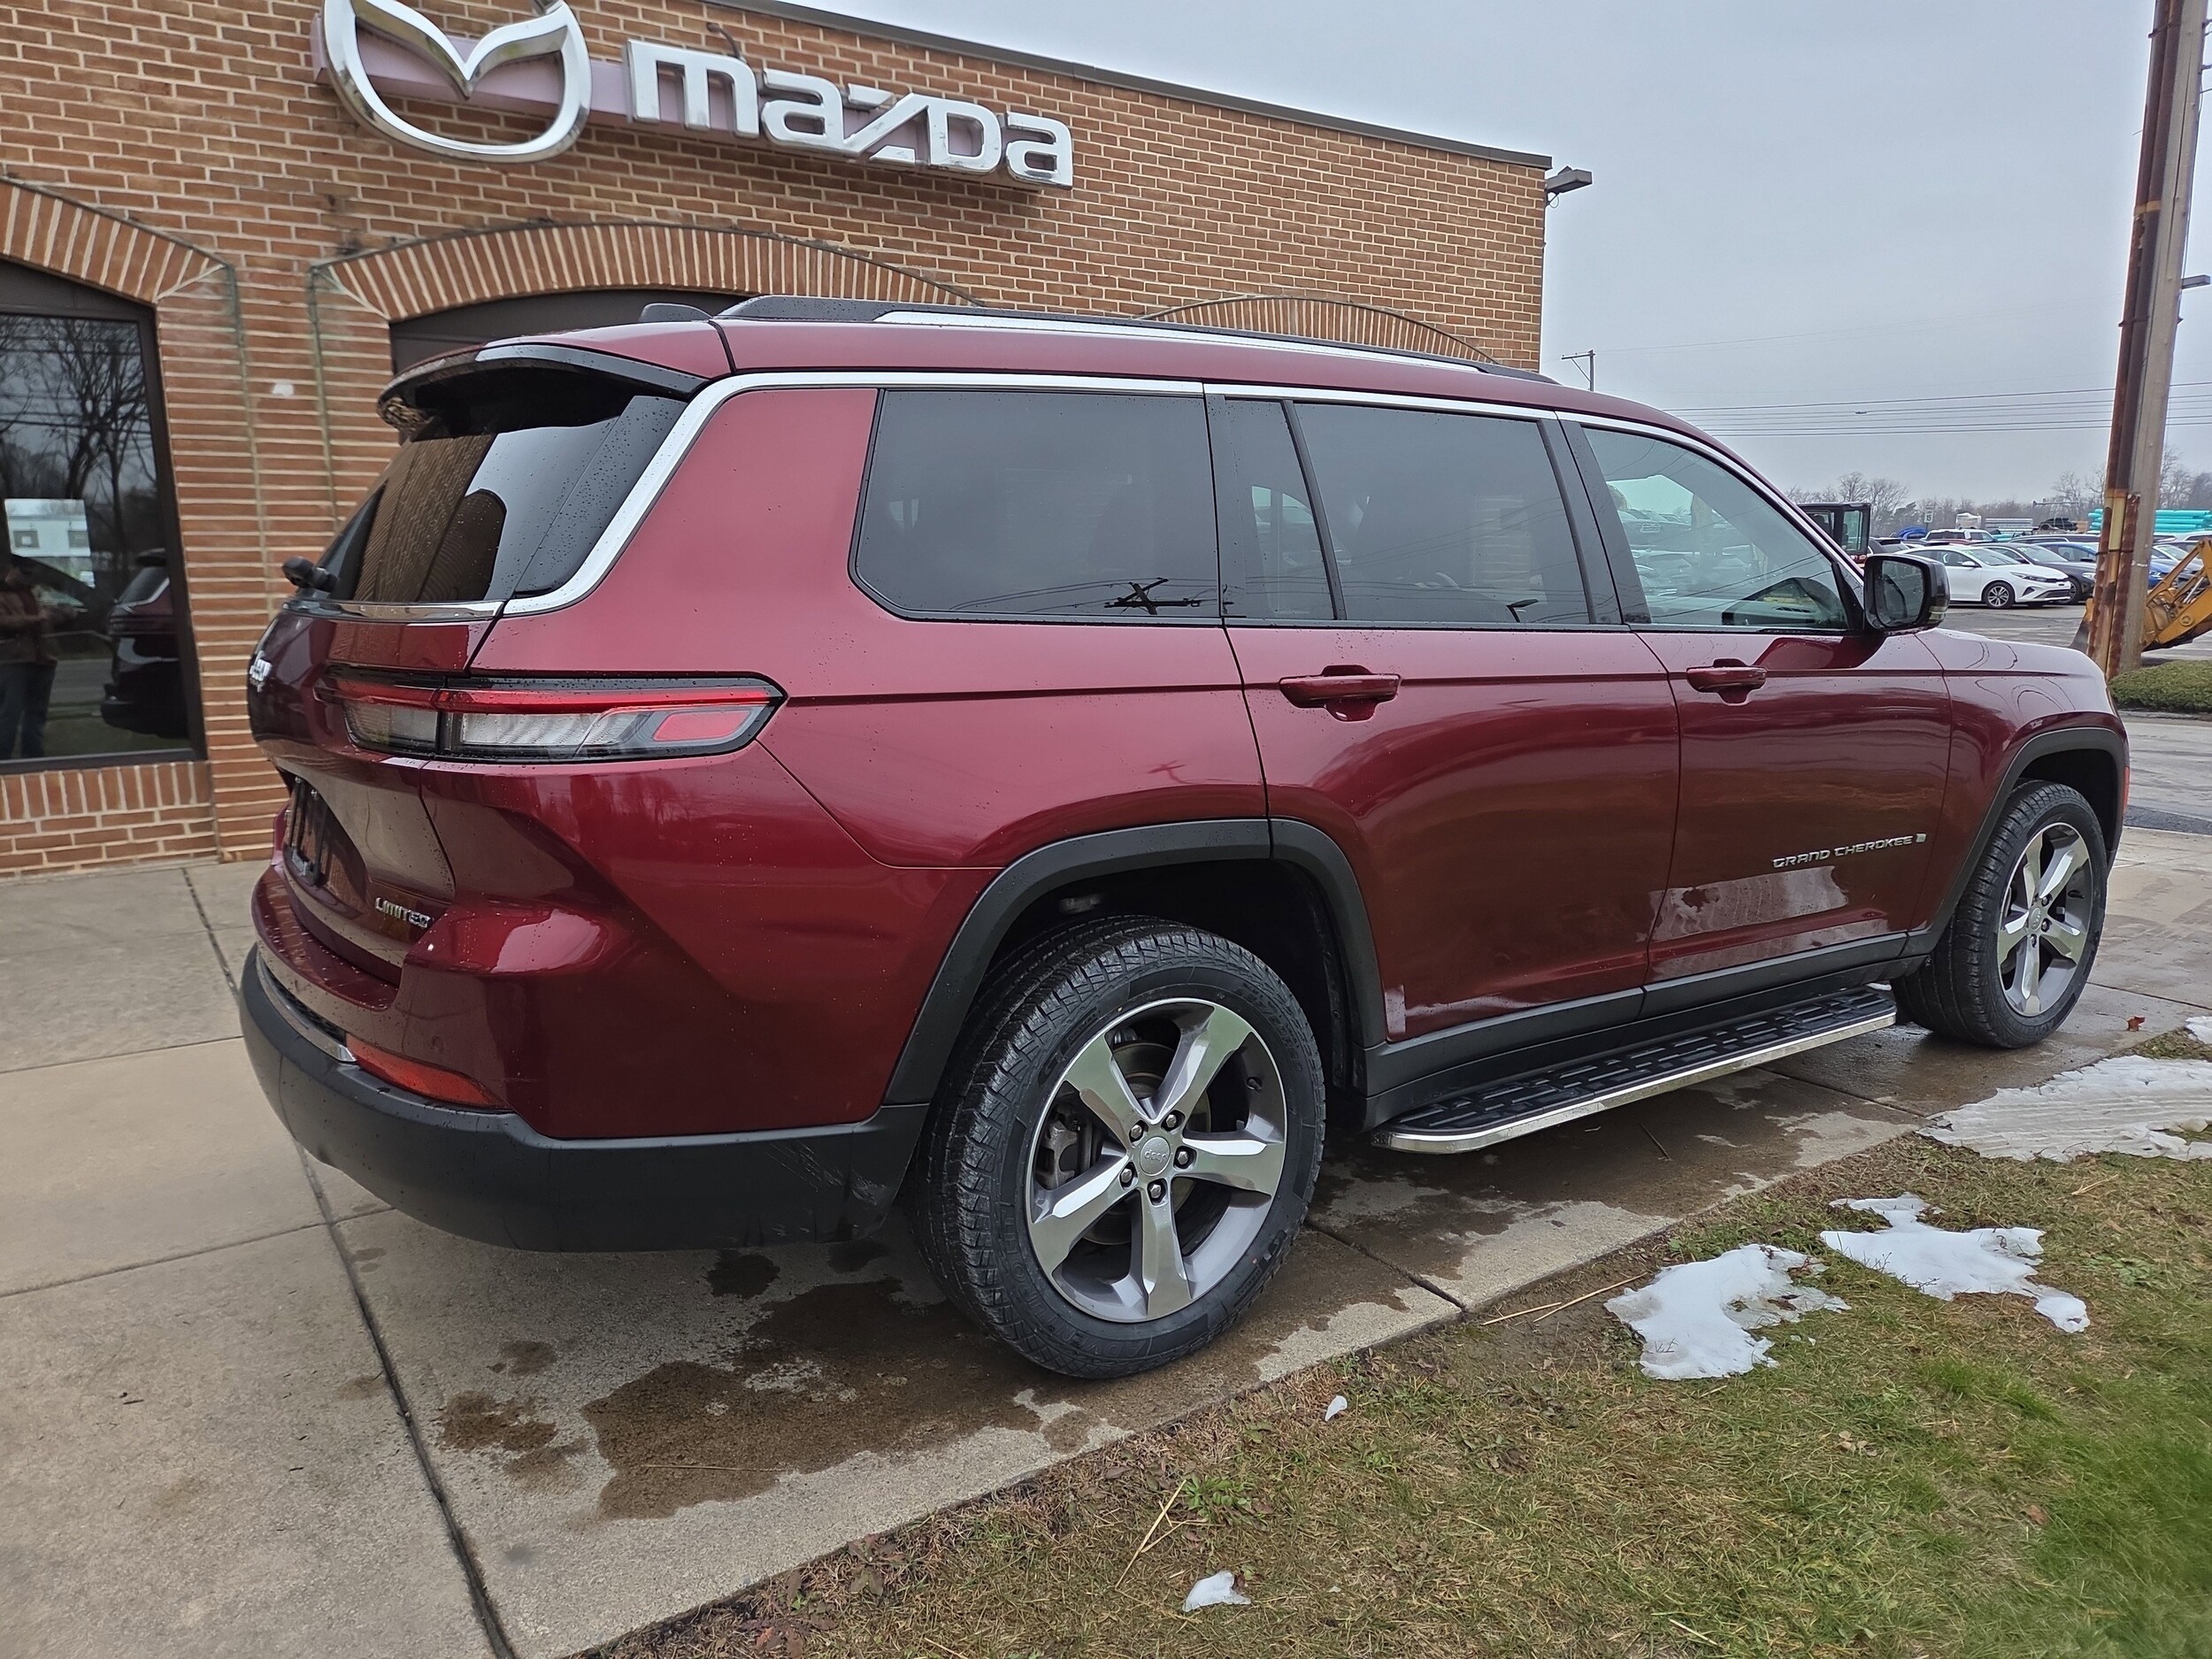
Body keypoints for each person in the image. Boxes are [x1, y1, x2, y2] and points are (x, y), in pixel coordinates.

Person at [0, 553, 58, 760]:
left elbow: (51, 618)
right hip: (15, 660)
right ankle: (3, 757)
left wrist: (64, 614)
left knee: (37, 712)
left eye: (32, 573)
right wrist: (36, 619)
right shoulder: (3, 594)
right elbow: (5, 622)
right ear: (11, 570)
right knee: (10, 712)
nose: (28, 577)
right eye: (24, 572)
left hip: (43, 658)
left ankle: (33, 756)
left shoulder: (37, 592)